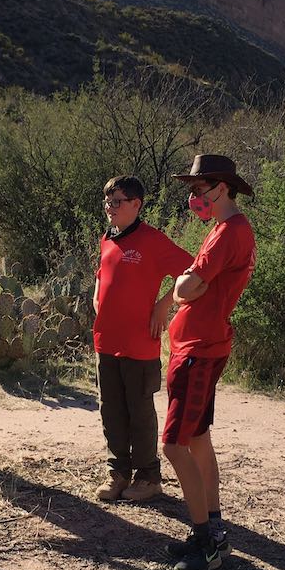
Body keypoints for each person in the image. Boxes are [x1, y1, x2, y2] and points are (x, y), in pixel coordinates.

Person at [162, 154, 256, 570]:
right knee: (197, 437)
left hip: (198, 350)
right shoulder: (227, 229)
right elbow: (190, 287)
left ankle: (206, 540)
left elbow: (188, 286)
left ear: (222, 188)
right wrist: (186, 287)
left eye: (200, 189)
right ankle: (212, 526)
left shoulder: (227, 233)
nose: (194, 196)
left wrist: (184, 285)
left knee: (174, 444)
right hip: (200, 344)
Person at [92, 175, 192, 502]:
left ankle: (149, 477)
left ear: (136, 204)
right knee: (112, 411)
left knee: (139, 412)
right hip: (106, 341)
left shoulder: (153, 240)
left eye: (117, 201)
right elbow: (101, 276)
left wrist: (165, 305)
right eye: (107, 201)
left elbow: (192, 272)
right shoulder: (108, 238)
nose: (110, 207)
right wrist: (97, 297)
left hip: (140, 344)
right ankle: (118, 473)